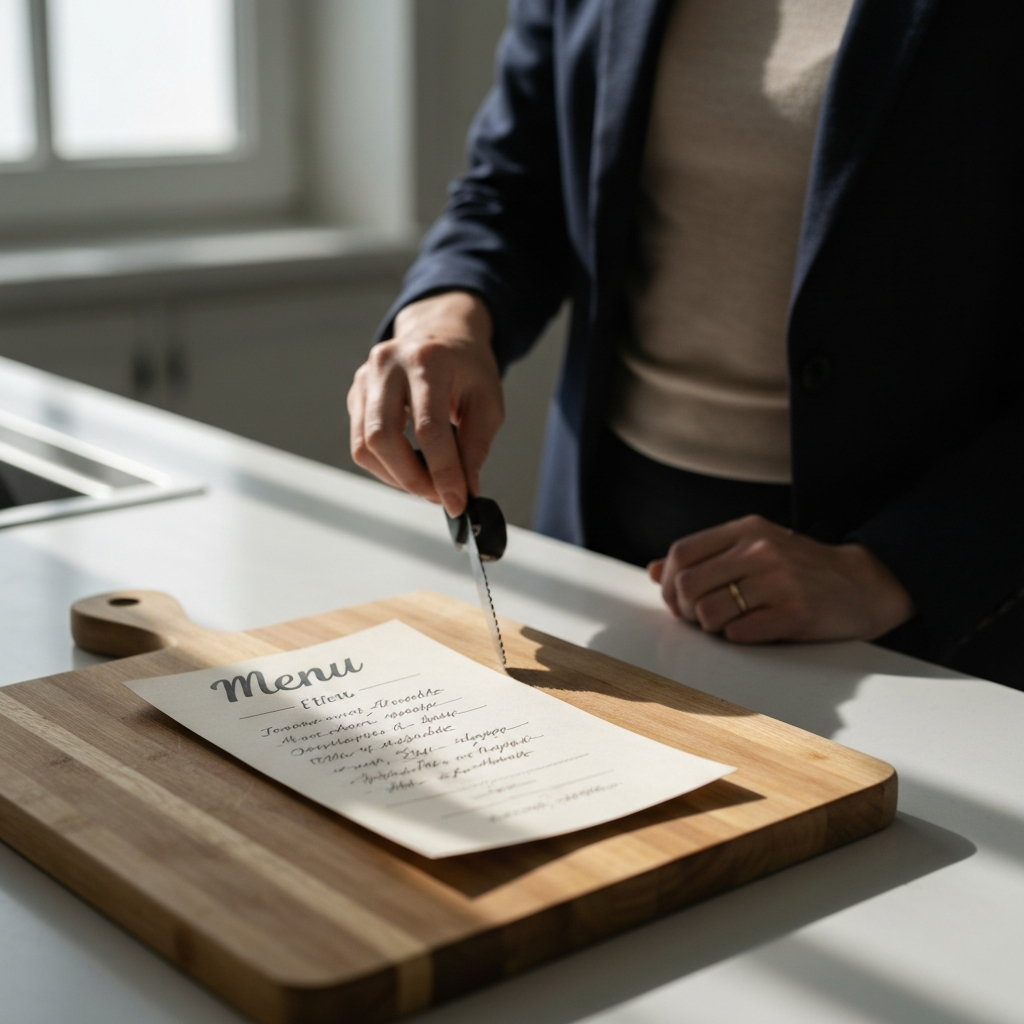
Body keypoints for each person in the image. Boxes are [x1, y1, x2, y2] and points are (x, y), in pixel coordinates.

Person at [348, 0, 1022, 687]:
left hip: (921, 601)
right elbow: (516, 186)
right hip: (600, 549)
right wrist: (445, 317)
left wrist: (897, 566)